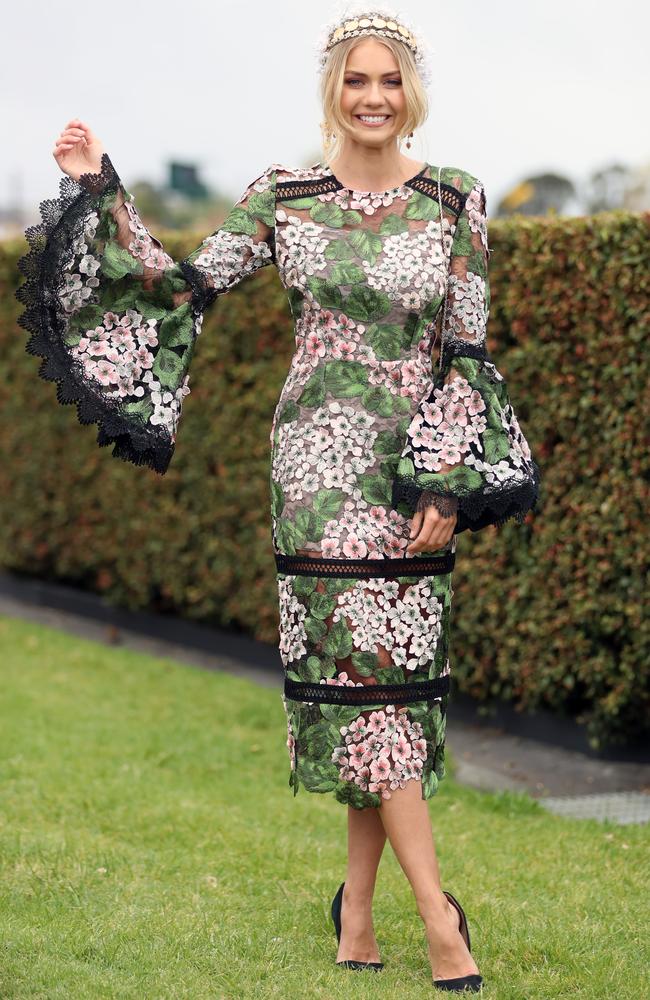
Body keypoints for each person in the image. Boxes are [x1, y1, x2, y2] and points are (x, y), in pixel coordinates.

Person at [15, 3, 541, 992]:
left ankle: (354, 913)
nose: (372, 97)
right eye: (355, 80)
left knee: (380, 684)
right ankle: (438, 919)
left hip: (410, 472)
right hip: (312, 467)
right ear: (331, 91)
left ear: (409, 91)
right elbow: (181, 289)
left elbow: (466, 351)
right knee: (360, 676)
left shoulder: (457, 198)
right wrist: (101, 192)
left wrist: (442, 473)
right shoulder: (282, 195)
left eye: (388, 80)